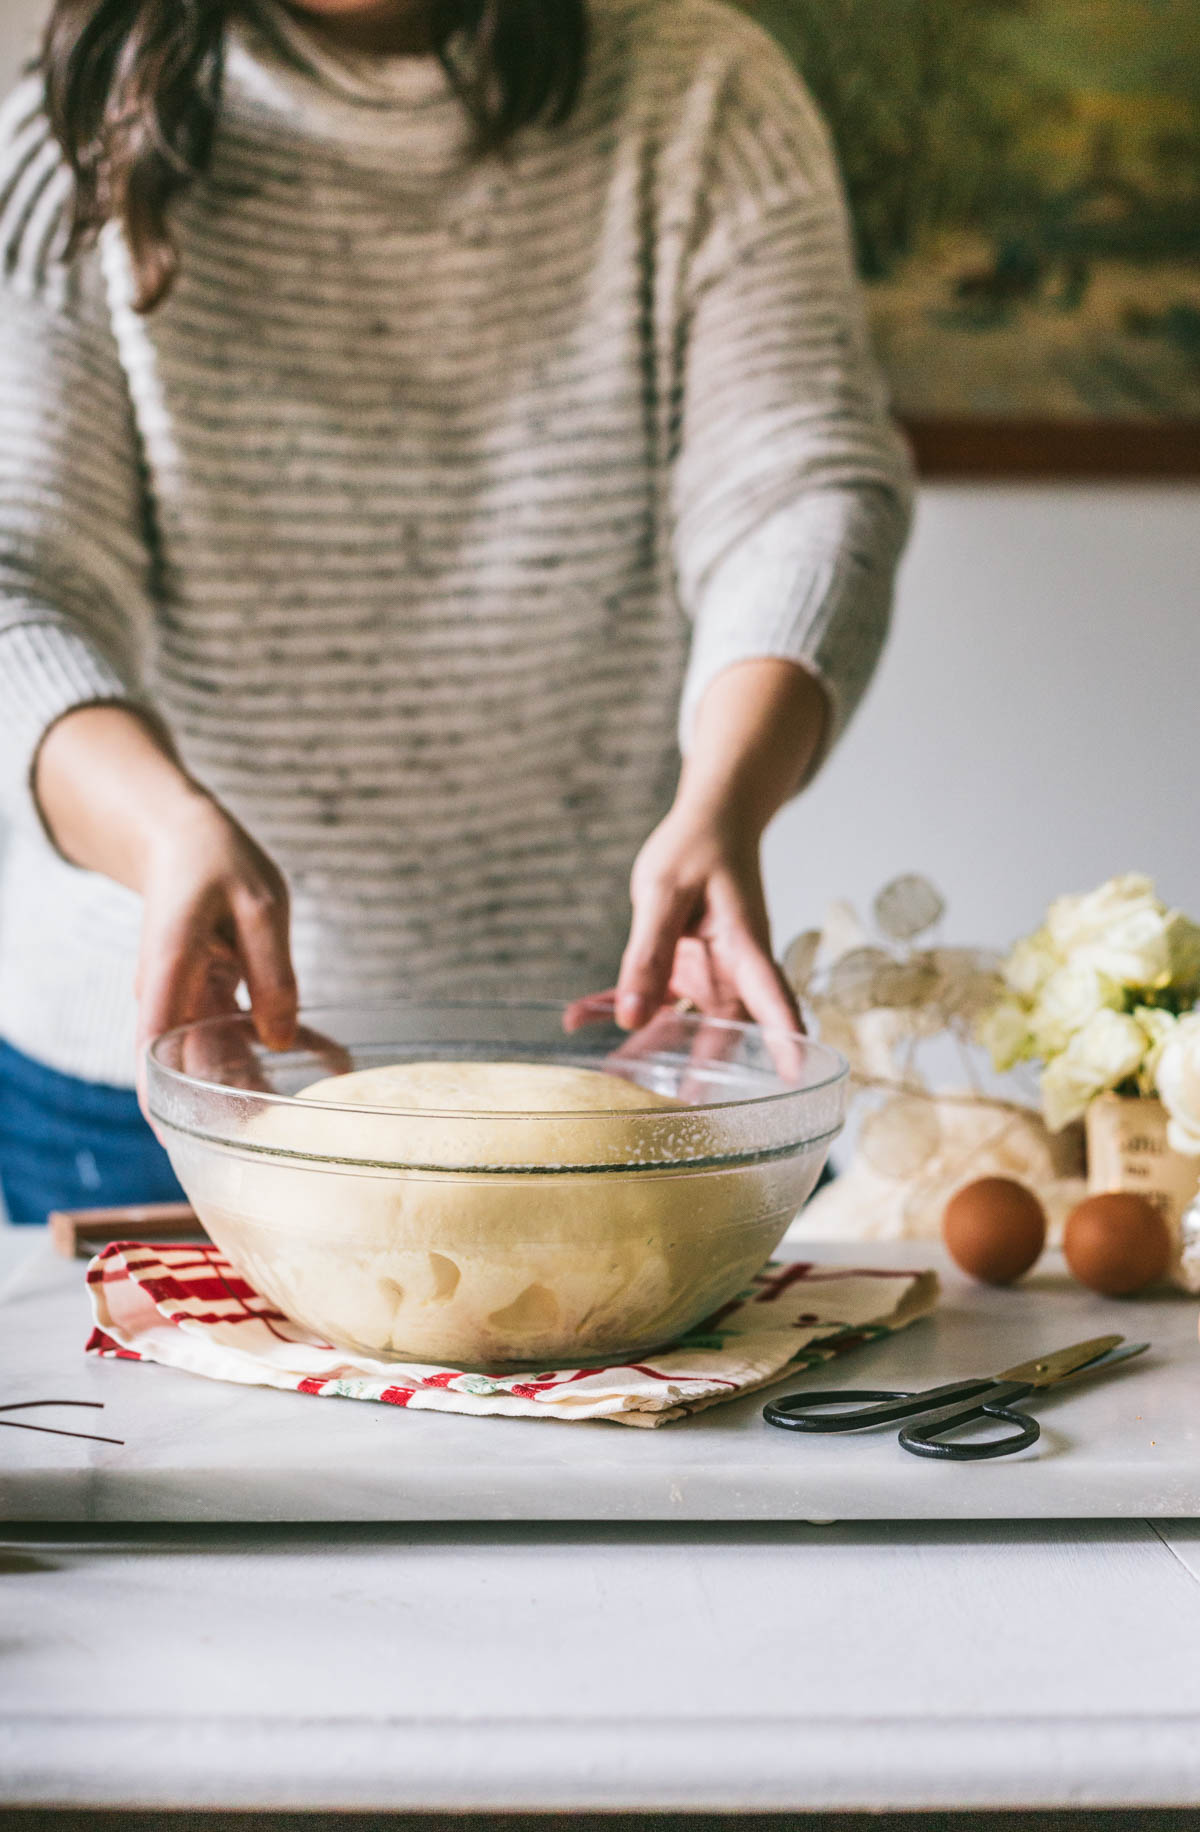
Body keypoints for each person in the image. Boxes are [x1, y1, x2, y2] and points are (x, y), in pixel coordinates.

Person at [0, 0, 912, 1227]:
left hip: (609, 1052)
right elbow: (20, 579)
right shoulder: (61, 142)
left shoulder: (700, 91)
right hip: (157, 1079)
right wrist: (163, 831)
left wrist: (726, 800)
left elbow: (802, 495)